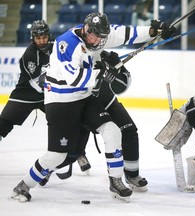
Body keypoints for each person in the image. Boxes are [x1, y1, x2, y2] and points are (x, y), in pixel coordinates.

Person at [11, 12, 176, 202]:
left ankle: (115, 181)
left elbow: (125, 33)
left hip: (84, 97)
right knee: (56, 155)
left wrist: (153, 30)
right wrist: (102, 72)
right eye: (92, 34)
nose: (95, 40)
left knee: (113, 130)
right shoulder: (66, 43)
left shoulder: (99, 36)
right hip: (61, 101)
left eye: (99, 37)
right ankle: (23, 185)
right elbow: (73, 79)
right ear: (85, 28)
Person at [0, 19, 91, 174]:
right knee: (4, 122)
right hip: (26, 94)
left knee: (77, 121)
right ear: (33, 38)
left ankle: (79, 153)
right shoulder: (29, 55)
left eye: (44, 37)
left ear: (48, 35)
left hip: (49, 95)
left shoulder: (58, 46)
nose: (41, 40)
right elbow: (37, 83)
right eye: (38, 38)